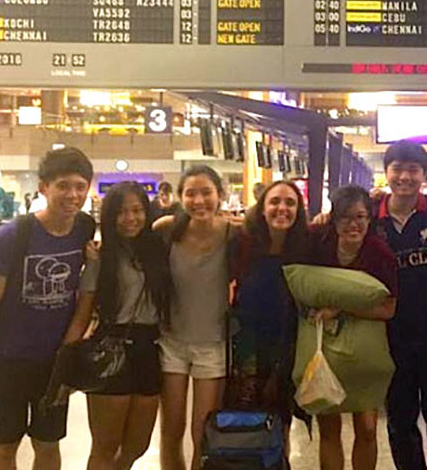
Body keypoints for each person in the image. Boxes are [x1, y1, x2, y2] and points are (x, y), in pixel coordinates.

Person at [0, 147, 96, 470]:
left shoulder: (84, 227)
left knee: (48, 442)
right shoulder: (13, 235)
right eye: (63, 186)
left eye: (80, 186)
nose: (73, 194)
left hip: (53, 363)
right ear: (43, 188)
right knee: (5, 444)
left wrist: (68, 355)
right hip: (9, 360)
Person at [73, 182, 173, 470]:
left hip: (149, 350)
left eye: (137, 210)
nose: (130, 218)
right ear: (109, 217)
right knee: (105, 446)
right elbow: (84, 312)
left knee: (137, 446)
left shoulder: (157, 250)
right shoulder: (100, 257)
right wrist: (66, 358)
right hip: (111, 349)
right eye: (121, 212)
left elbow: (186, 219)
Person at [375, 142, 427, 470]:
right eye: (397, 168)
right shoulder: (370, 216)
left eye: (413, 169)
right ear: (387, 173)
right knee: (400, 419)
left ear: (424, 174)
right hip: (390, 336)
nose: (405, 176)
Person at [154, 165, 238, 470]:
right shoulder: (166, 230)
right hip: (171, 342)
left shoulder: (233, 232)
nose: (199, 200)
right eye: (191, 193)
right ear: (180, 197)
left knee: (203, 432)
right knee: (171, 430)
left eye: (206, 192)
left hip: (213, 344)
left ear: (220, 195)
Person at [309, 185, 398, 470]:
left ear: (369, 219)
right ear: (333, 219)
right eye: (345, 217)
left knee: (367, 427)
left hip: (366, 350)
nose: (353, 224)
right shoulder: (319, 243)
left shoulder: (379, 254)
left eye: (360, 216)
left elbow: (389, 308)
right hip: (325, 347)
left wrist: (342, 307)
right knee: (329, 427)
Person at [228, 181, 309, 435]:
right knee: (245, 419)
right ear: (262, 208)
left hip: (287, 349)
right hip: (245, 348)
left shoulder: (305, 247)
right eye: (274, 202)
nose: (281, 208)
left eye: (290, 203)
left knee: (280, 421)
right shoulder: (242, 243)